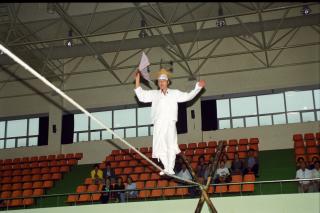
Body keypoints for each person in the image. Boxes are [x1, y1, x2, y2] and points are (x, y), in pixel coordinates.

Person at [134, 68, 205, 175]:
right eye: (159, 81)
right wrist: (137, 79)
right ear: (158, 83)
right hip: (158, 123)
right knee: (159, 145)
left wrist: (197, 88)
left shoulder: (174, 93)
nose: (161, 83)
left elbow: (187, 96)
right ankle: (166, 167)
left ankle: (170, 167)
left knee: (171, 144)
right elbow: (141, 96)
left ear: (167, 82)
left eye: (163, 81)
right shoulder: (154, 94)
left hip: (170, 122)